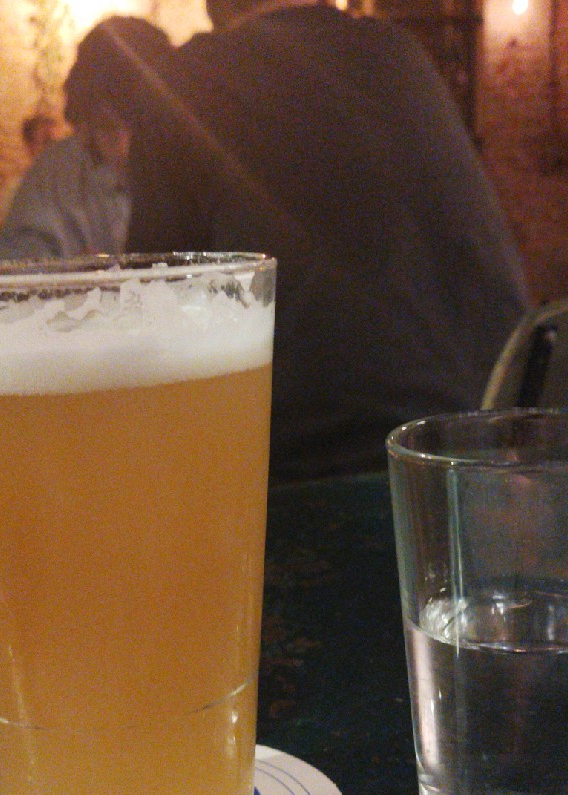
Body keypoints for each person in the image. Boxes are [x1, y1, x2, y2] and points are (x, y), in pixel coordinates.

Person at [117, 0, 530, 481]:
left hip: (306, 479)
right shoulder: (398, 54)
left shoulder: (183, 81)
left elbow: (148, 312)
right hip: (477, 464)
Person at [0, 19, 173, 262]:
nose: (130, 148)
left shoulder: (187, 169)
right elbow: (19, 276)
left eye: (146, 128)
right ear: (88, 117)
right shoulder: (55, 177)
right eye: (113, 127)